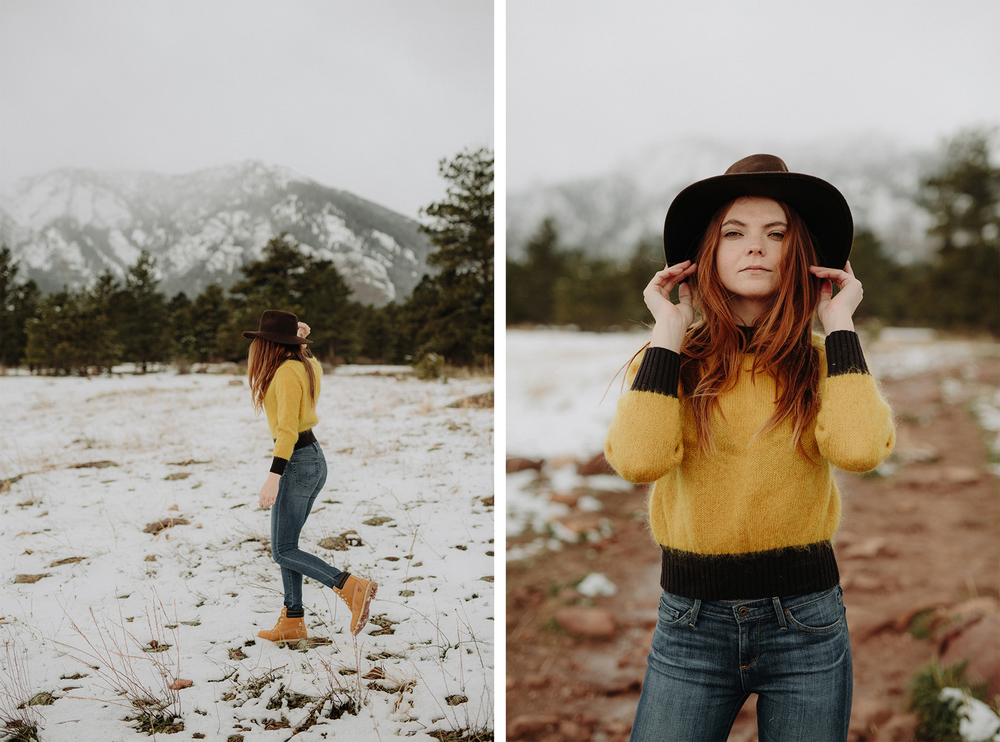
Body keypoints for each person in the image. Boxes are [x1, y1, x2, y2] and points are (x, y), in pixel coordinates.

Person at [604, 155, 895, 741]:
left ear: (801, 254)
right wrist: (668, 328)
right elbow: (639, 460)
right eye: (734, 233)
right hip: (692, 623)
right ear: (707, 254)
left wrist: (838, 323)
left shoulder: (822, 363)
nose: (755, 248)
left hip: (806, 622)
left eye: (776, 234)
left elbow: (862, 449)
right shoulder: (669, 363)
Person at [243, 309, 377, 640]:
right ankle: (292, 620)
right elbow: (310, 360)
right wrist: (300, 342)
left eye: (260, 341)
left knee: (283, 549)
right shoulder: (304, 364)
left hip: (297, 461)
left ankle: (349, 585)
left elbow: (287, 431)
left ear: (268, 344)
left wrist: (273, 476)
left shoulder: (286, 373)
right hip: (311, 460)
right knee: (287, 545)